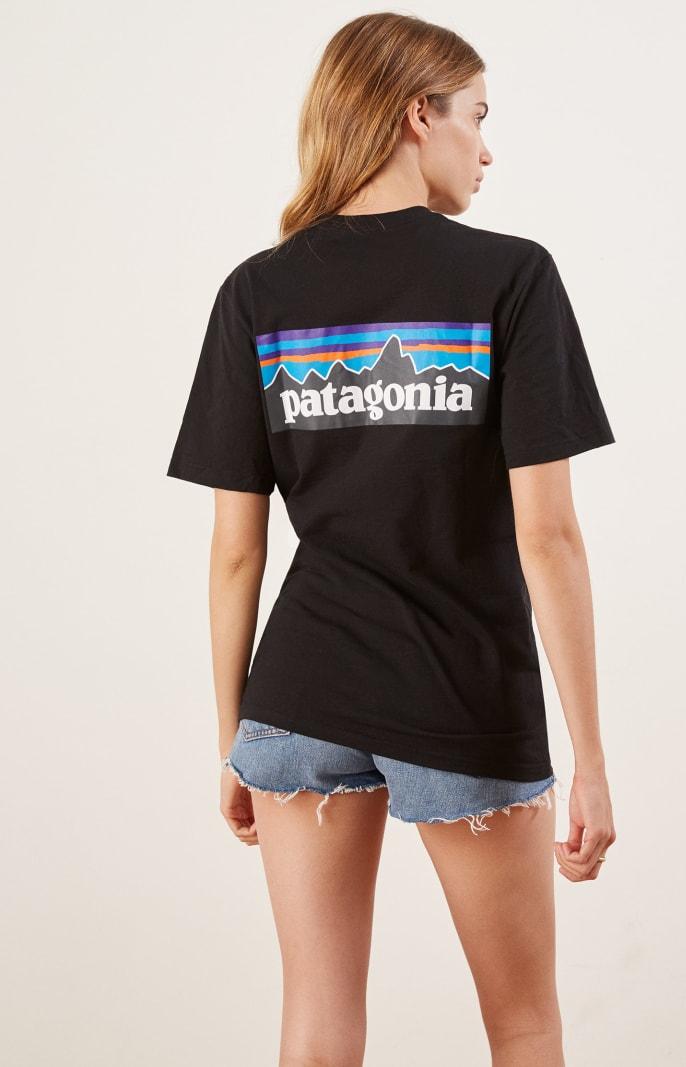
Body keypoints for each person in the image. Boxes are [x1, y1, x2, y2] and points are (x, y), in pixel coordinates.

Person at [166, 12, 616, 1067]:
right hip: (460, 686)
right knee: (522, 1022)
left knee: (317, 1027)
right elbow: (547, 535)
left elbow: (235, 550)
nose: (486, 149)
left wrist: (235, 738)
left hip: (298, 692)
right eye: (477, 117)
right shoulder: (510, 278)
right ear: (420, 115)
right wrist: (589, 758)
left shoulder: (257, 292)